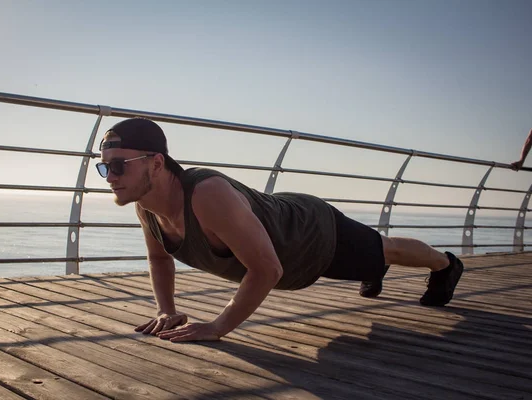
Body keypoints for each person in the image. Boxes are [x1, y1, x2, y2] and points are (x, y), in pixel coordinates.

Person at [96, 118, 464, 342]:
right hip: (290, 257)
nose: (110, 178)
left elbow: (267, 269)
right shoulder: (146, 204)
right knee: (370, 264)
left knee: (387, 250)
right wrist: (166, 310)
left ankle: (445, 265)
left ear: (156, 163)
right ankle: (371, 271)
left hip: (311, 234)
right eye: (104, 168)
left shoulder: (207, 193)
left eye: (119, 166)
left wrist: (218, 327)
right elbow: (160, 259)